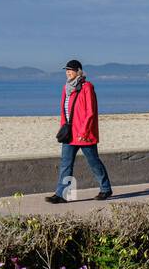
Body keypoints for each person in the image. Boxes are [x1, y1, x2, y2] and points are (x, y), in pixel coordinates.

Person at [46, 60, 113, 203]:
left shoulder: (87, 87)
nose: (67, 72)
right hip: (70, 134)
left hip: (84, 135)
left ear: (79, 71)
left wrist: (83, 132)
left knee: (93, 162)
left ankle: (106, 189)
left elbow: (90, 112)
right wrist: (63, 127)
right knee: (65, 164)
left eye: (70, 70)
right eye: (66, 70)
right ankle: (61, 194)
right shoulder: (66, 88)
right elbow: (64, 111)